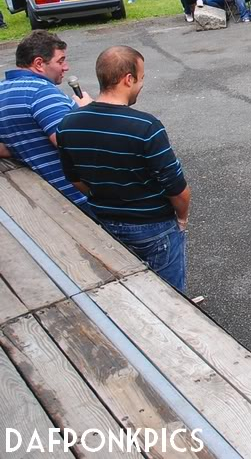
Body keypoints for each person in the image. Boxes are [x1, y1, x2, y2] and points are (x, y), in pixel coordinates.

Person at [56, 46, 190, 292]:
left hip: (106, 221)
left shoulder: (67, 125)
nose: (141, 84)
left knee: (129, 290)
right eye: (141, 78)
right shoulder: (146, 126)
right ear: (128, 79)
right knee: (170, 295)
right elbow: (177, 188)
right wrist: (181, 218)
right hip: (153, 225)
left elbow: (74, 179)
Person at [0, 31, 91, 209]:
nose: (66, 67)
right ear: (39, 63)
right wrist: (86, 112)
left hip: (44, 199)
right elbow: (72, 144)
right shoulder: (41, 92)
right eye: (60, 61)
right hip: (77, 200)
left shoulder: (2, 92)